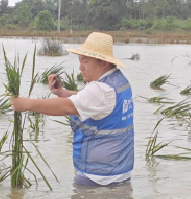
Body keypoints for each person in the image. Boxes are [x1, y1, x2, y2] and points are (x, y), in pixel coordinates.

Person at [11, 32, 134, 186]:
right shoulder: (117, 81)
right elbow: (94, 103)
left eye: (86, 61)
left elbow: (68, 107)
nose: (80, 67)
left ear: (103, 62)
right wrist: (62, 93)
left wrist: (26, 104)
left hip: (98, 178)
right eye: (80, 61)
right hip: (118, 172)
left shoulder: (101, 89)